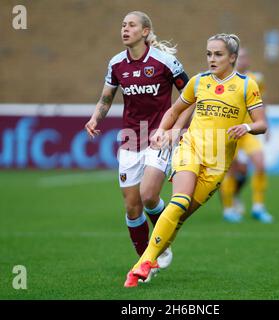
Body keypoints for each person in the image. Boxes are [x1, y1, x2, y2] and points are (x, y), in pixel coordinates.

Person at [124, 33, 268, 287]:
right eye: (209, 54)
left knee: (179, 216)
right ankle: (141, 265)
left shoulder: (247, 85)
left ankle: (154, 256)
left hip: (217, 163)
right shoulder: (198, 82)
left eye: (218, 54)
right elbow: (174, 110)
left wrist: (246, 128)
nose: (212, 59)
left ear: (232, 57)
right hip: (191, 148)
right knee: (179, 201)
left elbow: (261, 124)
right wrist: (161, 130)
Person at [84, 11, 189, 281]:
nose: (125, 29)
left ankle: (161, 242)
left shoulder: (164, 61)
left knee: (149, 196)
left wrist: (174, 130)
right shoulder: (117, 64)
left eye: (131, 25)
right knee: (132, 207)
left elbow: (191, 96)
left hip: (157, 137)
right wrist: (96, 118)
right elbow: (106, 98)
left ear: (145, 32)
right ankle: (146, 261)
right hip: (130, 140)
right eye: (123, 25)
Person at [220, 48, 273, 223]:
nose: (243, 60)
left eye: (245, 56)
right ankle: (228, 209)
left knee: (260, 164)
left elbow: (262, 104)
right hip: (230, 132)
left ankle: (258, 207)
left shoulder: (256, 79)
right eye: (240, 57)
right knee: (231, 171)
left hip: (249, 130)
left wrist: (267, 127)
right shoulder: (225, 80)